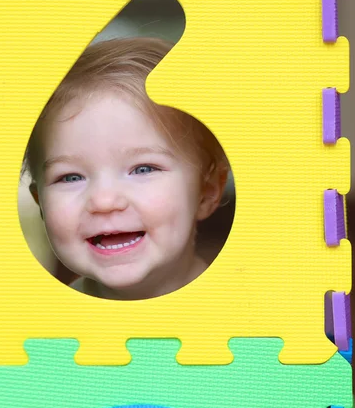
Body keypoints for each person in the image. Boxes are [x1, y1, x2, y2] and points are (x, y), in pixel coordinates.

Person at [21, 37, 229, 300]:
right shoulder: (45, 329)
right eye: (70, 176)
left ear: (207, 191)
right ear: (40, 203)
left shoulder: (251, 317)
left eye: (143, 169)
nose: (104, 201)